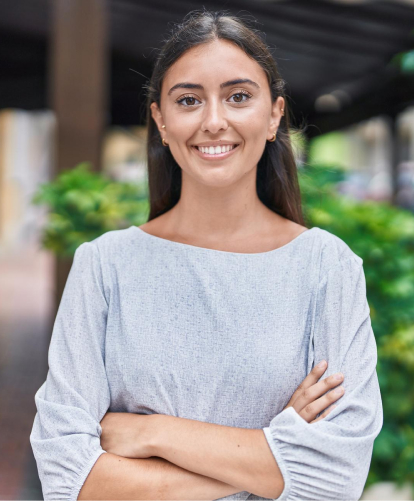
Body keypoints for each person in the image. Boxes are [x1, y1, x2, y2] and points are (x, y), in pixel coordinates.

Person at [30, 9, 383, 501]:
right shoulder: (105, 266)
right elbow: (67, 477)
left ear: (275, 114)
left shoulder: (327, 268)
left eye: (238, 97)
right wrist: (273, 452)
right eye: (189, 100)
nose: (214, 121)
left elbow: (336, 478)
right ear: (161, 120)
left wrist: (154, 434)